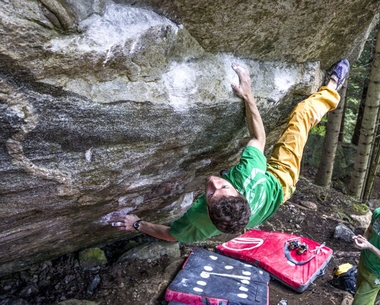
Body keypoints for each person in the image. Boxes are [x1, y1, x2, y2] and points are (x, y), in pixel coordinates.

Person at [111, 59, 350, 243]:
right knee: (302, 115)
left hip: (260, 198)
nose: (213, 181)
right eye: (221, 186)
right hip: (282, 181)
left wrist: (137, 224)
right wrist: (249, 97)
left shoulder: (199, 220)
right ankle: (332, 89)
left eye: (213, 192)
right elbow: (259, 136)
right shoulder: (247, 173)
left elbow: (173, 234)